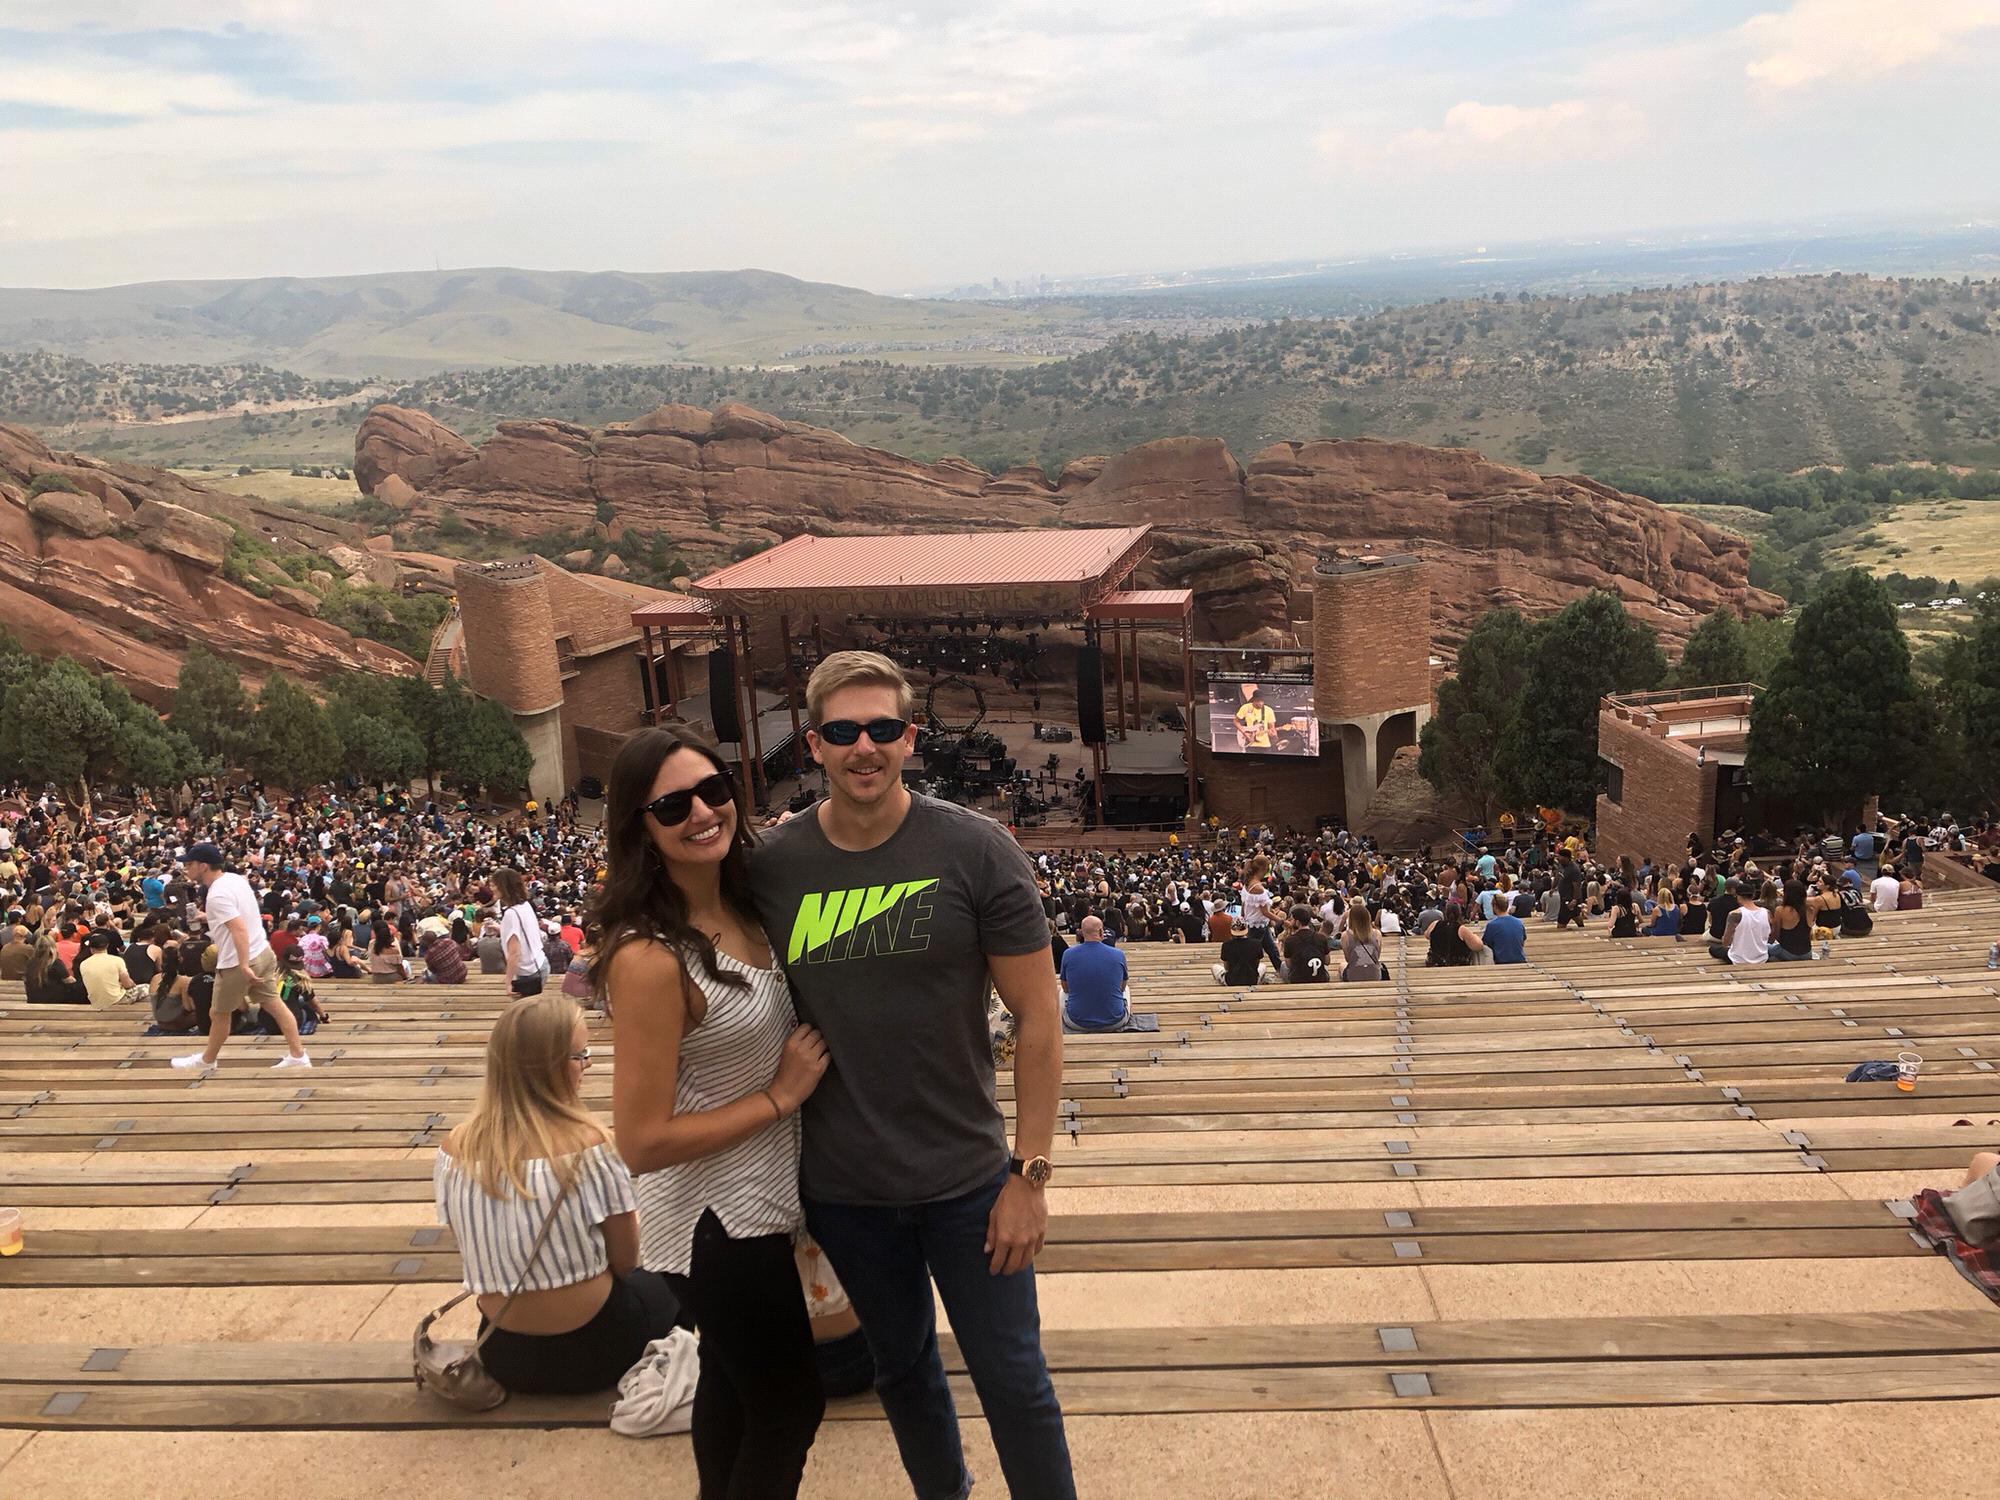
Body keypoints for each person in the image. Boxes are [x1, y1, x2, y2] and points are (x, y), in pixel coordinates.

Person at [751, 651, 1075, 1500]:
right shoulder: (772, 867)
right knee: (902, 1372)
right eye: (845, 732)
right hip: (846, 1192)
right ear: (813, 744)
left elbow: (1040, 1019)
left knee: (1014, 1381)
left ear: (911, 738)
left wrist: (1030, 1177)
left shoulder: (975, 850)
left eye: (884, 729)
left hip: (969, 1182)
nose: (866, 747)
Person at [602, 727, 827, 1498]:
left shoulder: (746, 904)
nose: (701, 811)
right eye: (672, 804)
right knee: (790, 1407)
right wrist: (779, 1096)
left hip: (754, 1210)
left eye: (714, 790)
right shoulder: (649, 959)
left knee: (732, 1393)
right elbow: (639, 1141)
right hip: (714, 1224)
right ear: (640, 826)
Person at [434, 993, 679, 1395]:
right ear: (551, 1068)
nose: (588, 1065)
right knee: (674, 1273)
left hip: (503, 1352)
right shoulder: (592, 1146)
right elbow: (625, 1260)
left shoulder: (452, 1150)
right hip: (600, 1351)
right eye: (580, 1055)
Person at [172, 843, 310, 1074]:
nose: (186, 869)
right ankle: (298, 1055)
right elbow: (240, 913)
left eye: (189, 865)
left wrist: (244, 964)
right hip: (263, 951)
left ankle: (207, 1060)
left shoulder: (216, 893)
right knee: (273, 1003)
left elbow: (238, 929)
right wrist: (208, 917)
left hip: (238, 960)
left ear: (203, 866)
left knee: (219, 1013)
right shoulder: (235, 880)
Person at [1058, 915, 1132, 1030]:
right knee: (1126, 989)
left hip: (1076, 1022)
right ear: (1101, 932)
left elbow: (1066, 988)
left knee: (1062, 991)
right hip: (1115, 1020)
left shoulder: (1068, 954)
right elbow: (1122, 986)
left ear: (1081, 933)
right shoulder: (1118, 954)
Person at [495, 867, 548, 998]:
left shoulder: (510, 914)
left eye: (494, 885)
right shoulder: (525, 904)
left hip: (528, 973)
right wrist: (499, 928)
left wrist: (508, 981)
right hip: (540, 962)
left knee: (525, 1014)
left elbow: (515, 953)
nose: (492, 888)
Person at [1708, 880, 1772, 965]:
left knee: (1712, 949)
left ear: (1737, 896)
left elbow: (1725, 942)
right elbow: (1771, 937)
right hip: (1761, 957)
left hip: (1738, 959)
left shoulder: (1734, 914)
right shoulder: (1767, 913)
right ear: (1753, 896)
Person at [77, 929, 144, 1007]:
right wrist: (133, 986)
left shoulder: (83, 964)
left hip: (96, 1002)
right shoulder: (117, 960)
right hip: (117, 1000)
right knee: (146, 988)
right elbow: (128, 984)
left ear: (91, 948)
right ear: (107, 945)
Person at [24, 930, 86, 1004]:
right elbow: (69, 980)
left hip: (34, 999)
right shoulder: (55, 963)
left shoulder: (31, 963)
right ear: (53, 947)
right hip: (54, 1000)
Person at [1279, 903, 1330, 983]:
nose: (1290, 922)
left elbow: (1289, 964)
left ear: (1298, 922)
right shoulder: (1321, 937)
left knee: (1283, 965)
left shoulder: (1290, 940)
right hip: (1320, 978)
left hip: (1298, 979)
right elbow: (1327, 961)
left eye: (1292, 919)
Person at [1768, 879, 1814, 961]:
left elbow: (1775, 934)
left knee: (1766, 948)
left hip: (1788, 951)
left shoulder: (1780, 910)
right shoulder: (1810, 910)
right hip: (1807, 953)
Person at [1212, 918, 1266, 987]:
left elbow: (1226, 968)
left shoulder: (1226, 944)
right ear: (1246, 930)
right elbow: (1256, 965)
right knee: (1263, 966)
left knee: (1214, 967)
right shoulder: (1256, 943)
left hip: (1231, 981)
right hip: (1252, 980)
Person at [1340, 899, 1385, 981]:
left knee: (1342, 965)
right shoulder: (1377, 934)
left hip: (1353, 976)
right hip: (1375, 975)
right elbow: (1377, 957)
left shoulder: (1345, 935)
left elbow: (1348, 959)